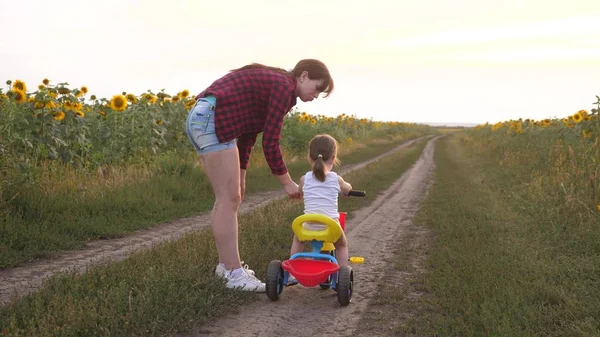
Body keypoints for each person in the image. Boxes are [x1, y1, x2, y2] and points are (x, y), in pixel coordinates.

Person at [185, 59, 334, 292]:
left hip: (204, 117)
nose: (316, 95)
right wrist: (286, 182)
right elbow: (271, 142)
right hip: (212, 120)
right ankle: (234, 274)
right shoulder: (284, 87)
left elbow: (248, 134)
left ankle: (226, 268)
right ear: (303, 76)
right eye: (317, 88)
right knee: (228, 200)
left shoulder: (279, 84)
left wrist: (242, 174)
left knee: (228, 198)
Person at [288, 134, 352, 284]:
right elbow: (347, 189)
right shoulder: (336, 179)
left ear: (310, 157)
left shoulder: (304, 179)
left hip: (308, 225)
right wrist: (346, 190)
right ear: (333, 157)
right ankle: (340, 274)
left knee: (298, 239)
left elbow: (300, 190)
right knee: (341, 245)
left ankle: (291, 273)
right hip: (330, 226)